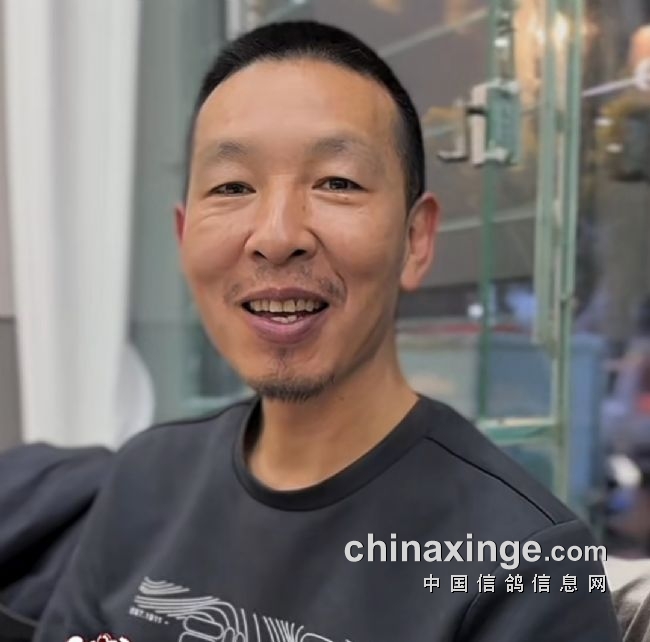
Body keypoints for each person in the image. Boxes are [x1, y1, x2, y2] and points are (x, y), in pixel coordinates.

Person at [35, 21, 621, 642]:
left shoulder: (528, 563)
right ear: (183, 238)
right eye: (232, 187)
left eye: (337, 182)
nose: (276, 236)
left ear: (417, 240)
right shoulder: (146, 476)